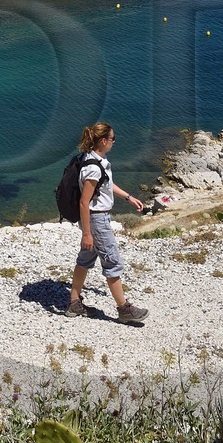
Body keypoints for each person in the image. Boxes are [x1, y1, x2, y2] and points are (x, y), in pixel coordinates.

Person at [66, 122, 149, 323]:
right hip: (96, 220)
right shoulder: (94, 168)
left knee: (85, 260)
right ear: (104, 141)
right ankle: (124, 309)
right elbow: (84, 203)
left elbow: (107, 184)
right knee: (112, 262)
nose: (114, 142)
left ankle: (74, 303)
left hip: (95, 219)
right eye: (112, 139)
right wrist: (87, 233)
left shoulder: (94, 159)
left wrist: (128, 197)